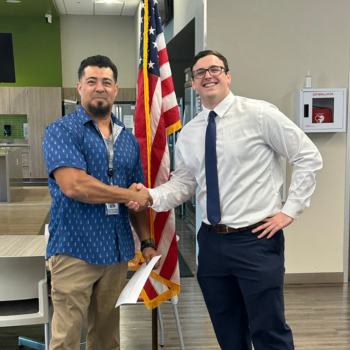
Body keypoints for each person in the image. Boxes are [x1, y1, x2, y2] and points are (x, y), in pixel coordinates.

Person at [128, 50, 323, 350]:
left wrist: (290, 210)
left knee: (268, 329)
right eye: (200, 73)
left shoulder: (260, 114)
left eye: (215, 69)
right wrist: (150, 196)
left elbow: (307, 156)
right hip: (211, 244)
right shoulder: (190, 133)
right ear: (193, 84)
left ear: (228, 76)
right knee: (227, 331)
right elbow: (184, 184)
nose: (208, 75)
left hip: (256, 240)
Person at [42, 55, 158, 350]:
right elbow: (75, 185)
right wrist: (130, 194)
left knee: (107, 339)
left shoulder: (128, 140)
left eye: (106, 82)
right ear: (79, 87)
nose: (99, 88)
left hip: (117, 253)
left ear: (115, 90)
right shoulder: (62, 131)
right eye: (91, 81)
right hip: (74, 249)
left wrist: (146, 241)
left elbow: (138, 198)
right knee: (66, 338)